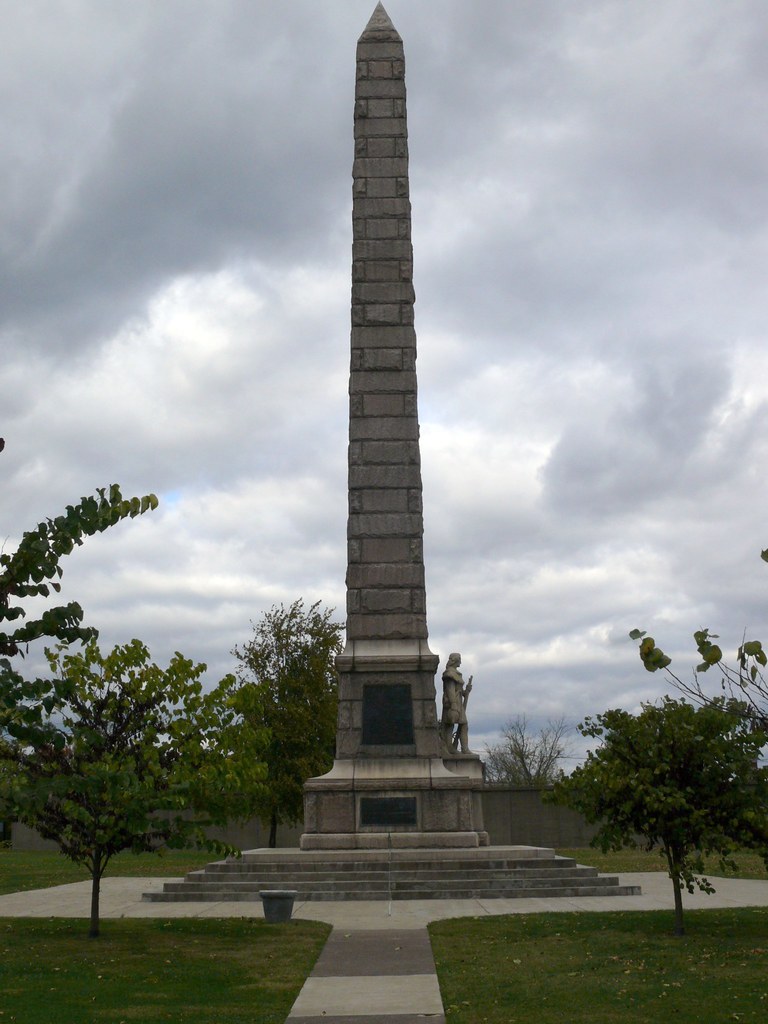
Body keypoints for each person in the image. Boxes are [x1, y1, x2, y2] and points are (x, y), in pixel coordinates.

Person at [440, 652, 472, 754]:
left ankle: (465, 749)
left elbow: (459, 690)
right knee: (450, 724)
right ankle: (449, 747)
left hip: (458, 702)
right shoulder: (449, 673)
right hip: (452, 703)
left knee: (463, 725)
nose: (461, 662)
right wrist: (453, 704)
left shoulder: (457, 674)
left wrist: (466, 691)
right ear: (455, 660)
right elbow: (450, 690)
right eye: (460, 659)